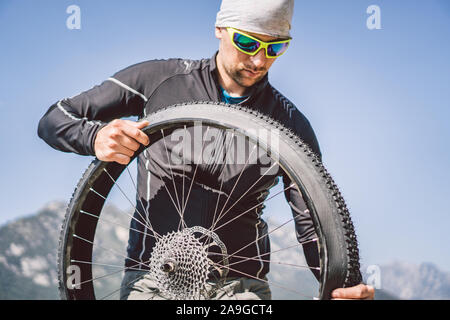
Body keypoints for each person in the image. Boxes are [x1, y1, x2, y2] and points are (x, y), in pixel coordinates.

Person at [38, 0, 374, 300]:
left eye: (275, 48)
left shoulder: (291, 125)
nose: (259, 60)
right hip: (156, 279)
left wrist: (345, 285)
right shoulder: (158, 80)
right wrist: (94, 137)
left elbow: (315, 221)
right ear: (220, 28)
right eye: (247, 42)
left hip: (240, 290)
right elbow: (54, 119)